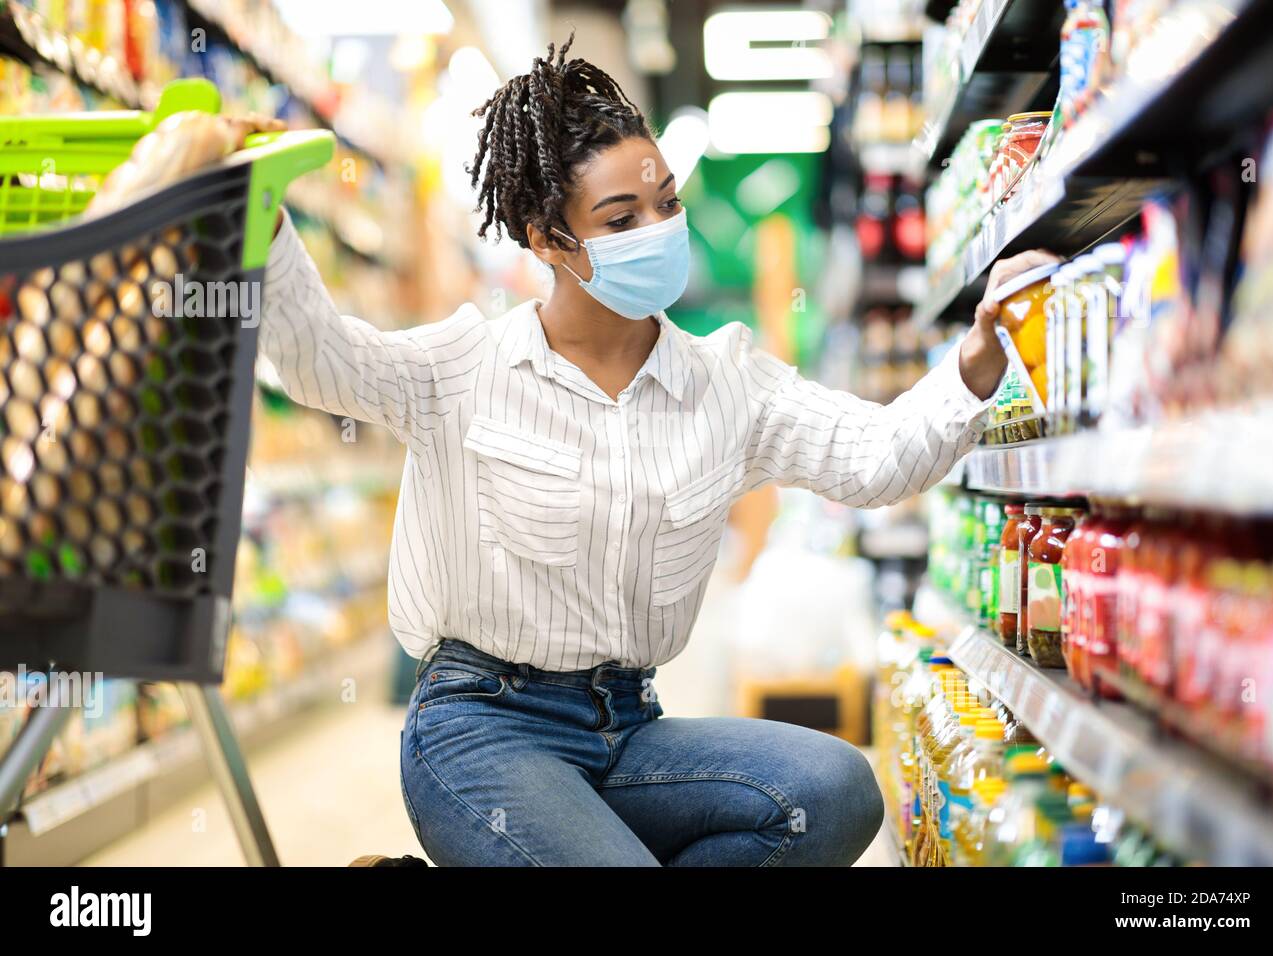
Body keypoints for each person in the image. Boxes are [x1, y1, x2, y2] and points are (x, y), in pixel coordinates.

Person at [259, 36, 1055, 866]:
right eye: (621, 220)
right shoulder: (463, 368)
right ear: (547, 240)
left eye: (666, 204)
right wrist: (267, 215)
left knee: (833, 792)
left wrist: (976, 360)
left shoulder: (723, 383)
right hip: (481, 726)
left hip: (631, 729)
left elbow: (875, 456)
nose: (660, 230)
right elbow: (323, 362)